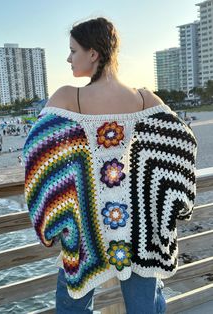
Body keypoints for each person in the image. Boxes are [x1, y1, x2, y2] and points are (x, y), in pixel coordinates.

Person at [23, 17, 197, 314]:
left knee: (72, 305)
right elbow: (183, 143)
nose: (68, 58)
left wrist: (53, 220)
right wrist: (173, 203)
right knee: (144, 307)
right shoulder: (143, 99)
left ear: (93, 53)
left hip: (86, 229)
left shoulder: (68, 97)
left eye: (73, 51)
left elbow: (35, 153)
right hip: (139, 229)